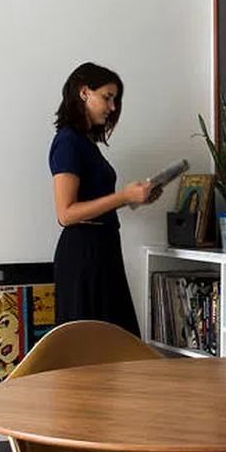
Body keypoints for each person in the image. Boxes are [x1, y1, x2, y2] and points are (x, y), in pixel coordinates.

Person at [49, 62, 159, 336]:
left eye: (115, 100)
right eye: (107, 97)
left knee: (113, 341)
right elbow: (66, 213)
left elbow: (95, 202)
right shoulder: (68, 141)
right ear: (84, 92)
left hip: (102, 248)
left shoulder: (85, 143)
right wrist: (123, 196)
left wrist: (135, 198)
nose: (112, 107)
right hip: (84, 253)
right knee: (91, 344)